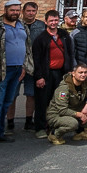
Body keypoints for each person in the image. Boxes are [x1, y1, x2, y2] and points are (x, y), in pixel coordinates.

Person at [0, 0, 33, 147]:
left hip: (17, 70)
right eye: (12, 10)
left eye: (17, 10)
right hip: (0, 71)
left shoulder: (22, 26)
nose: (15, 13)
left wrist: (24, 67)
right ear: (6, 10)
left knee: (6, 103)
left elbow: (27, 49)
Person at [31, 9, 74, 138]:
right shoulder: (41, 38)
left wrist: (70, 70)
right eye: (51, 20)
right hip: (46, 74)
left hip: (61, 73)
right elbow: (36, 59)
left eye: (56, 20)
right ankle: (40, 128)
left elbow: (70, 53)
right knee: (42, 101)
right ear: (46, 21)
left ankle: (54, 125)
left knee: (59, 101)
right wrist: (39, 77)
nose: (54, 23)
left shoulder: (64, 34)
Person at [7, 1, 46, 132]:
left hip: (33, 65)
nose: (30, 13)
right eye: (28, 11)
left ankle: (29, 121)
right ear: (23, 12)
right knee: (12, 95)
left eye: (33, 11)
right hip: (16, 64)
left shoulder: (41, 26)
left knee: (31, 94)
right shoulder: (16, 24)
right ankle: (10, 122)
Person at [45, 63, 87, 145]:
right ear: (73, 73)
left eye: (85, 72)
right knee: (72, 123)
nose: (83, 75)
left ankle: (80, 132)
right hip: (56, 114)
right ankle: (54, 134)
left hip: (72, 109)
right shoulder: (64, 88)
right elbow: (62, 110)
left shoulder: (83, 83)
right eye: (80, 72)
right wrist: (80, 115)